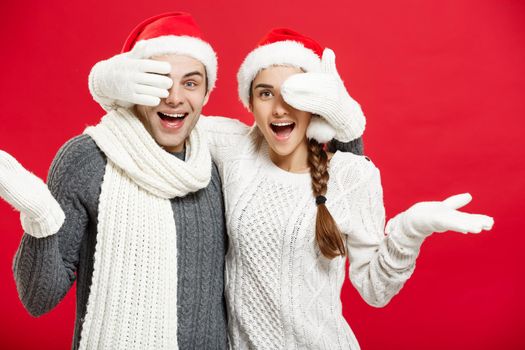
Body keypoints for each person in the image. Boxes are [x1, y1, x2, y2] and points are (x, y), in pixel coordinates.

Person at [90, 27, 494, 349]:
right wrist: (106, 82)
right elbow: (166, 118)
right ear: (249, 102)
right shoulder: (232, 146)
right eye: (266, 94)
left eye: (295, 94)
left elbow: (374, 291)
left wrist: (409, 232)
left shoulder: (353, 175)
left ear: (317, 105)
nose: (280, 108)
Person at [0, 12, 229, 350]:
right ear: (131, 87)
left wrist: (339, 133)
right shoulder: (89, 158)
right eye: (158, 81)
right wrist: (41, 219)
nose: (175, 98)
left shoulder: (219, 157)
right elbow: (39, 299)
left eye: (190, 83)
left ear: (206, 93)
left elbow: (296, 146)